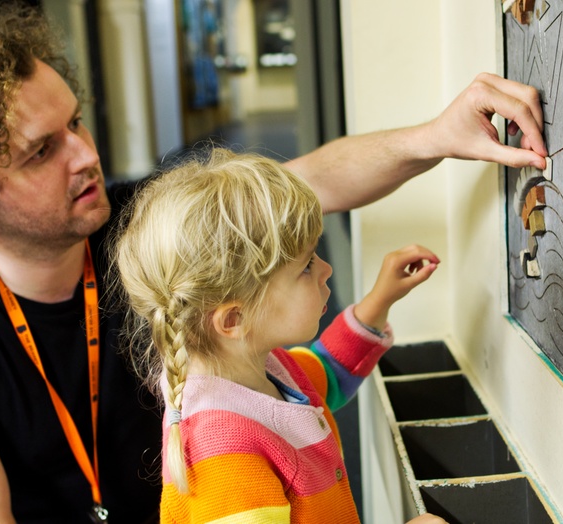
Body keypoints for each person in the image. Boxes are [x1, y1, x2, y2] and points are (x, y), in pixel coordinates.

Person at [0, 4, 545, 524]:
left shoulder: (144, 227)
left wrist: (436, 136)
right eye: (41, 151)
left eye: (76, 122)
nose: (86, 154)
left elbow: (304, 184)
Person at [114, 149, 445, 523]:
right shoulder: (225, 456)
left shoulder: (262, 368)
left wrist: (379, 301)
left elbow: (328, 373)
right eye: (306, 266)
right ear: (234, 318)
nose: (326, 269)